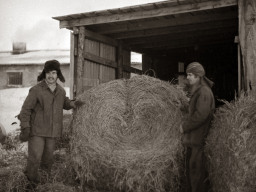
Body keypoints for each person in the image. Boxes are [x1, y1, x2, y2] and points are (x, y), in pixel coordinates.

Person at [18, 60, 84, 187]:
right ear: (44, 73)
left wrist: (73, 103)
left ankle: (44, 184)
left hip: (52, 132)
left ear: (58, 74)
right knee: (35, 159)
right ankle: (31, 185)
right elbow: (25, 110)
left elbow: (64, 102)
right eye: (48, 72)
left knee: (48, 160)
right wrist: (25, 127)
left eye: (53, 73)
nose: (51, 76)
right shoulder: (36, 90)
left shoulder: (61, 90)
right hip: (37, 131)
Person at [179, 62, 215, 192]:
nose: (187, 77)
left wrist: (185, 127)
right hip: (193, 140)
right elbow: (194, 111)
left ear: (198, 76)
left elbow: (201, 115)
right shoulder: (197, 91)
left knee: (196, 173)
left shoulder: (204, 92)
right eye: (187, 74)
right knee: (192, 172)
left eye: (190, 75)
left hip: (198, 139)